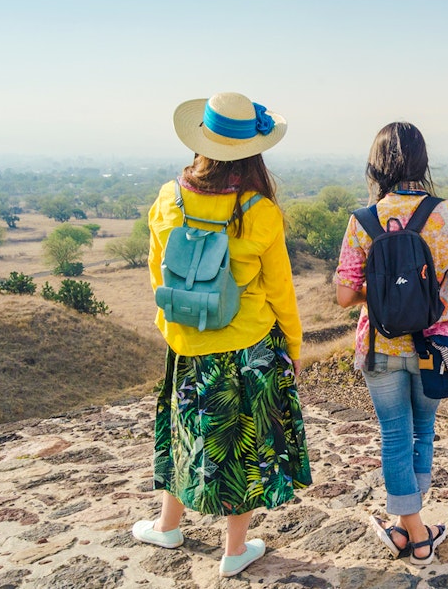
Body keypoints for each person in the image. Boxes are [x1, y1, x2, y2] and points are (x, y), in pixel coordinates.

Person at [133, 92, 312, 578]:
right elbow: (280, 290)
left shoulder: (167, 198)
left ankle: (170, 525)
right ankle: (234, 551)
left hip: (188, 345)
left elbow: (158, 275)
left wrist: (176, 330)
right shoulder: (258, 210)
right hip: (248, 346)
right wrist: (292, 346)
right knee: (243, 447)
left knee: (183, 431)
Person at [335, 122, 448, 565]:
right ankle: (419, 532)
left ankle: (409, 531)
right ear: (422, 162)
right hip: (433, 347)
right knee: (423, 433)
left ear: (376, 164)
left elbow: (345, 295)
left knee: (394, 435)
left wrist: (384, 294)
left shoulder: (364, 220)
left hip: (381, 346)